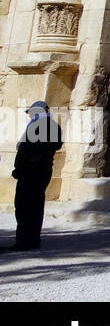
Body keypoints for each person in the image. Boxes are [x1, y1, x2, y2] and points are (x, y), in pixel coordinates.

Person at [9, 101, 63, 251]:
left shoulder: (46, 126)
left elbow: (43, 149)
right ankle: (27, 240)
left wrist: (30, 161)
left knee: (27, 207)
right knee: (27, 206)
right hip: (33, 172)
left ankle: (26, 242)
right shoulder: (44, 125)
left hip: (33, 173)